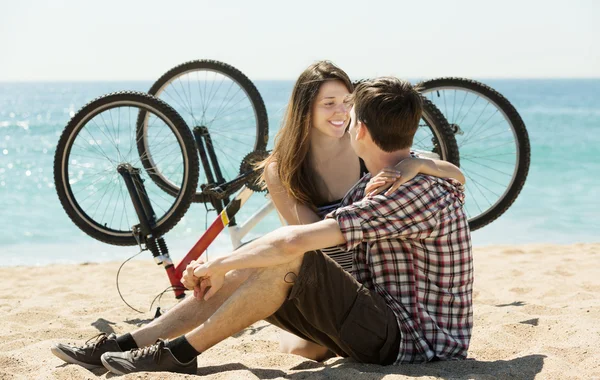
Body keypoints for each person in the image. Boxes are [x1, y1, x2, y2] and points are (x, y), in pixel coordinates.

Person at [51, 76, 473, 375]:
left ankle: (179, 352)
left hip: (414, 343)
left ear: (360, 129)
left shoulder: (406, 192)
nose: (343, 117)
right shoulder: (404, 172)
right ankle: (133, 342)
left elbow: (296, 239)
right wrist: (423, 161)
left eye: (350, 111)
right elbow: (458, 175)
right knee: (267, 261)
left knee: (289, 257)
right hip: (383, 320)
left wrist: (217, 264)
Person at [257, 61, 466, 360]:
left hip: (380, 285)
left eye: (346, 102)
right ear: (306, 109)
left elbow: (456, 176)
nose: (341, 111)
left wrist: (421, 163)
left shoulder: (362, 144)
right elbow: (316, 242)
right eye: (328, 103)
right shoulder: (283, 168)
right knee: (306, 351)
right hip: (331, 274)